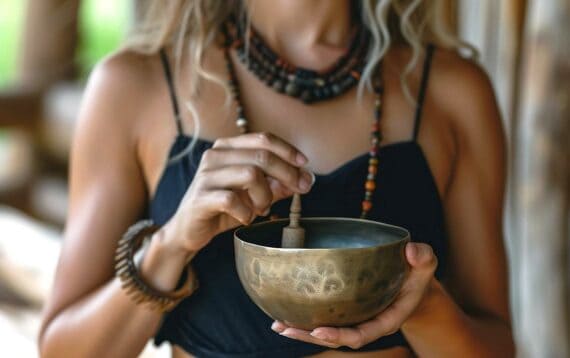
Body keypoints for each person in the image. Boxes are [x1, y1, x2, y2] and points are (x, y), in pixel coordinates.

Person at [38, 1, 515, 357]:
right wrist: (172, 244)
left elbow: (496, 345)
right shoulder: (134, 87)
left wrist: (422, 304)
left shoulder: (452, 94)